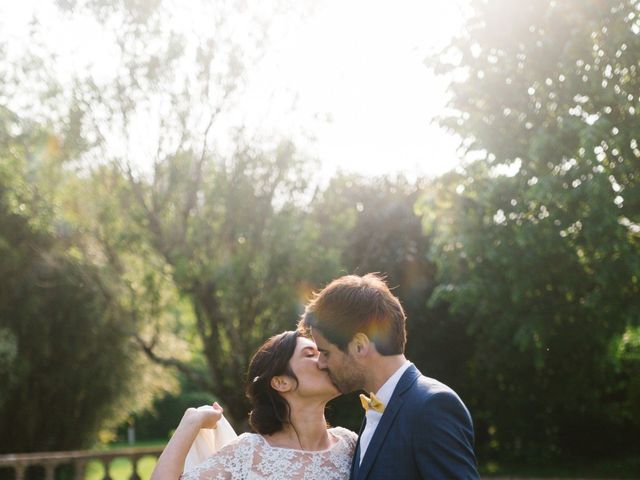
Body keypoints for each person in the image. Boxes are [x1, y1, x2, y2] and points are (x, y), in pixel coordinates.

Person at [299, 273, 479, 480]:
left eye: (326, 352)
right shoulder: (376, 408)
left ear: (359, 346)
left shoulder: (432, 406)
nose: (320, 363)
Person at [150, 330, 357, 480]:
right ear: (281, 382)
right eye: (310, 354)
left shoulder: (351, 445)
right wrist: (192, 421)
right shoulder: (247, 454)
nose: (325, 359)